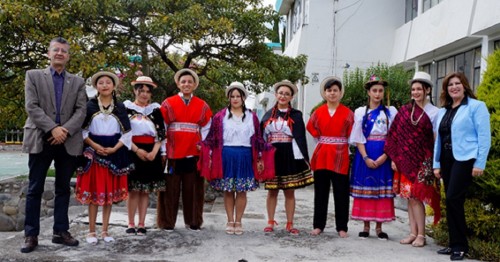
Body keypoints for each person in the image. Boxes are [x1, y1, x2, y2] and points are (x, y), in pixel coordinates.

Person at [21, 37, 87, 253]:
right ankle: (31, 235)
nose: (60, 53)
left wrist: (64, 130)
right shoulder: (33, 76)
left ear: (68, 56)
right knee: (34, 188)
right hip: (41, 138)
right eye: (56, 50)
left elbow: (81, 110)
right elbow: (32, 106)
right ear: (48, 54)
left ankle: (60, 231)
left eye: (64, 51)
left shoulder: (77, 81)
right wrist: (53, 128)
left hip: (67, 140)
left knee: (63, 189)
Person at [433, 72, 491, 261]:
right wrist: (436, 164)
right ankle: (453, 244)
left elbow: (484, 137)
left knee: (453, 198)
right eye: (450, 85)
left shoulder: (476, 107)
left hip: (465, 159)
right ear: (446, 89)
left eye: (458, 83)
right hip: (446, 159)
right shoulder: (443, 111)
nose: (454, 87)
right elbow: (438, 141)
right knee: (450, 202)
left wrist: (479, 162)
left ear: (464, 86)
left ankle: (461, 246)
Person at [75, 71, 133, 244]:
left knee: (108, 195)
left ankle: (105, 231)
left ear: (114, 86)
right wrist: (95, 146)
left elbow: (127, 133)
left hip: (114, 153)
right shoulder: (89, 106)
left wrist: (114, 148)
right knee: (94, 194)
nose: (105, 85)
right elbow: (82, 131)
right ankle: (91, 231)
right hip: (94, 154)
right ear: (96, 86)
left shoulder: (120, 107)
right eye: (101, 83)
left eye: (108, 82)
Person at [200, 82, 265, 235]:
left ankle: (239, 221)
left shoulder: (252, 117)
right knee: (228, 190)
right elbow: (212, 138)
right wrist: (208, 154)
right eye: (232, 96)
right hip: (226, 156)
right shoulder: (220, 116)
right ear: (228, 98)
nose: (235, 99)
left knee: (242, 190)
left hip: (245, 155)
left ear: (243, 98)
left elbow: (258, 139)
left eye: (238, 96)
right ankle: (230, 220)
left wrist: (259, 158)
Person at [385, 72, 441, 247]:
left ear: (427, 90)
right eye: (413, 89)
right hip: (404, 161)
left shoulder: (435, 112)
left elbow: (436, 139)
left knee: (417, 198)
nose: (415, 92)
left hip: (424, 162)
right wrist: (395, 158)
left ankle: (421, 235)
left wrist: (435, 163)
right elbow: (395, 135)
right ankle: (412, 232)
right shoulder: (404, 111)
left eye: (419, 89)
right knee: (409, 197)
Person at [157, 68, 213, 231]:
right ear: (178, 84)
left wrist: (203, 146)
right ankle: (167, 222)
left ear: (195, 84)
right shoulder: (168, 103)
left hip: (193, 153)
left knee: (194, 188)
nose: (186, 84)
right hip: (172, 152)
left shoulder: (202, 105)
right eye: (183, 82)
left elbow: (207, 128)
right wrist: (163, 150)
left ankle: (194, 221)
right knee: (169, 189)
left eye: (190, 81)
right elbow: (163, 127)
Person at [261, 80, 314, 235]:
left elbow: (300, 137)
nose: (283, 96)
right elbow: (262, 137)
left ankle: (290, 223)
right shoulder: (267, 114)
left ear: (291, 97)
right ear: (276, 94)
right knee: (272, 191)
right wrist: (261, 157)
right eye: (280, 93)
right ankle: (270, 221)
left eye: (287, 94)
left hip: (289, 155)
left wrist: (303, 158)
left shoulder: (296, 115)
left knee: (289, 191)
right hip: (272, 155)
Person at [349, 75, 398, 240]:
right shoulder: (361, 112)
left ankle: (379, 227)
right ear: (368, 92)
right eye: (374, 90)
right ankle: (365, 225)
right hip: (366, 152)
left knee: (381, 190)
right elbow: (358, 137)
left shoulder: (390, 112)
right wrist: (365, 157)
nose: (377, 94)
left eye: (380, 91)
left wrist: (386, 156)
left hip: (384, 152)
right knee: (367, 187)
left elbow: (394, 138)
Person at [307, 77, 354, 238]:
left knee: (341, 192)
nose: (332, 93)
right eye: (329, 90)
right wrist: (322, 139)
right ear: (324, 93)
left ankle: (342, 227)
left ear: (340, 93)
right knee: (320, 192)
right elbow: (311, 127)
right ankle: (318, 225)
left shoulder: (348, 113)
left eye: (335, 90)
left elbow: (352, 134)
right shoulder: (318, 112)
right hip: (322, 155)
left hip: (341, 155)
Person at [124, 76, 166, 235]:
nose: (144, 94)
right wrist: (137, 150)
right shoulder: (126, 109)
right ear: (135, 91)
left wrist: (154, 152)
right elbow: (123, 132)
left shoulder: (156, 110)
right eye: (141, 91)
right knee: (133, 189)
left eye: (148, 92)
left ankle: (141, 223)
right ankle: (130, 223)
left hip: (151, 151)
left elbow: (161, 134)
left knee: (145, 190)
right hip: (132, 150)